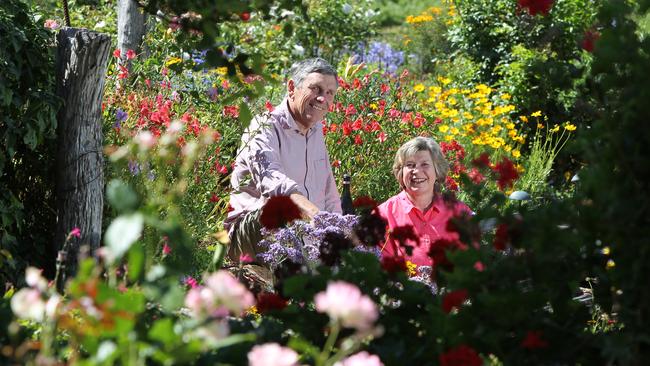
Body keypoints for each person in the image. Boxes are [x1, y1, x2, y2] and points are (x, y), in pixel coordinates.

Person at [225, 58, 343, 266]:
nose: (322, 98)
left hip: (301, 234)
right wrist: (314, 214)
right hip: (253, 232)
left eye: (329, 93)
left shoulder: (316, 131)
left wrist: (338, 231)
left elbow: (328, 192)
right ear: (291, 88)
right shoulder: (264, 126)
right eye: (315, 89)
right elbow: (271, 180)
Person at [377, 136, 472, 267]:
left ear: (437, 171)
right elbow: (379, 268)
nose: (416, 171)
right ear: (401, 172)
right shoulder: (383, 214)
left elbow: (474, 264)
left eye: (425, 164)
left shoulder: (459, 212)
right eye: (410, 165)